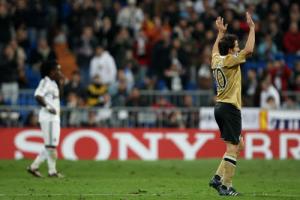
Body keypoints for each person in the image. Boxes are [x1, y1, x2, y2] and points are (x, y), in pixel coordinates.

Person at [209, 12, 255, 196]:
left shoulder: (216, 60)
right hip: (229, 108)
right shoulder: (229, 60)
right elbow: (249, 51)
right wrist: (252, 28)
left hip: (220, 107)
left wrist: (220, 33)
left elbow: (214, 50)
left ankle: (217, 178)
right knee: (232, 148)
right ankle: (226, 187)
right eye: (236, 47)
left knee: (239, 144)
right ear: (229, 50)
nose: (238, 49)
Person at [27, 60, 64, 178]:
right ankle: (52, 171)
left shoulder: (54, 83)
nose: (59, 72)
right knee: (51, 146)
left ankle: (34, 167)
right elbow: (37, 95)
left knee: (50, 145)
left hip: (54, 117)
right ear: (51, 71)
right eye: (57, 69)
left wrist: (62, 83)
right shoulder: (45, 82)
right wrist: (48, 107)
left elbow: (58, 97)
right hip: (48, 118)